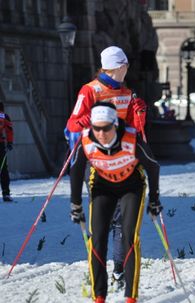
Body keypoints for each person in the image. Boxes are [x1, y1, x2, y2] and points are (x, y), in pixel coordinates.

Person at [69, 102, 161, 303]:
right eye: (96, 128)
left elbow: (153, 167)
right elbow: (76, 170)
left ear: (114, 125)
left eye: (106, 128)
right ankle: (99, 300)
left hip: (132, 185)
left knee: (129, 237)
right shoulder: (86, 139)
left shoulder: (131, 138)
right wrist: (75, 204)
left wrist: (155, 200)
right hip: (102, 185)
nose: (101, 133)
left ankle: (131, 302)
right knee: (97, 240)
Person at [65, 46, 147, 288]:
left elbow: (133, 127)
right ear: (118, 67)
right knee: (105, 220)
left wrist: (139, 113)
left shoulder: (127, 93)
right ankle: (98, 272)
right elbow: (72, 123)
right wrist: (92, 118)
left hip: (124, 161)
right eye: (126, 67)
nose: (127, 71)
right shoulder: (90, 91)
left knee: (123, 221)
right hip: (98, 163)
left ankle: (119, 269)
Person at [0, 102, 14, 202]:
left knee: (3, 169)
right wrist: (9, 142)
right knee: (3, 169)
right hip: (1, 145)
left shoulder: (3, 116)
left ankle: (6, 193)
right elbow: (9, 130)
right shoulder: (4, 116)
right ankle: (6, 193)